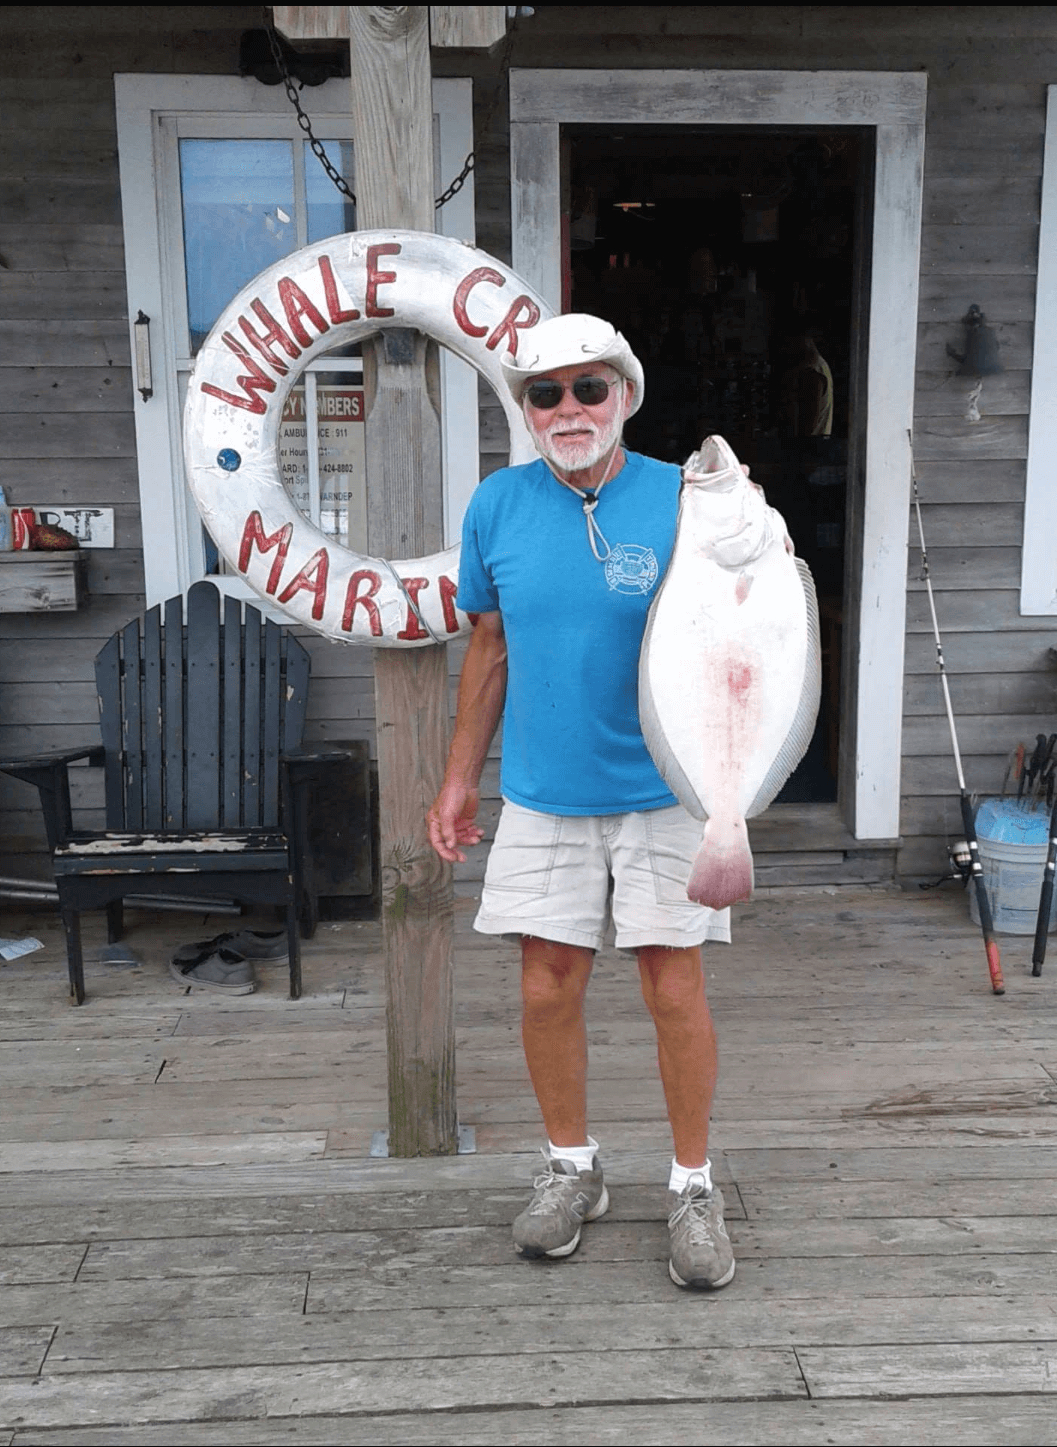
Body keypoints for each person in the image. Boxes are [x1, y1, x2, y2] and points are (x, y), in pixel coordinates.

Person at [426, 313, 736, 1291]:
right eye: (545, 392)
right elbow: (489, 645)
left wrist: (736, 776)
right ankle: (574, 1167)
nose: (568, 408)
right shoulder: (497, 506)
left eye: (587, 388)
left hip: (667, 792)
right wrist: (457, 776)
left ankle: (692, 1183)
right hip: (544, 796)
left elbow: (746, 640)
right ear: (525, 409)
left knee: (672, 989)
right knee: (545, 988)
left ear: (626, 397)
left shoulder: (691, 500)